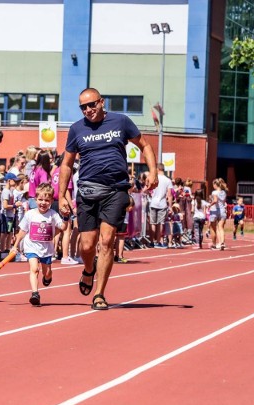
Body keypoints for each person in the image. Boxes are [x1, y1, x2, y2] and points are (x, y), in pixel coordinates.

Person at [58, 88, 158, 310]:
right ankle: (88, 269)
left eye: (92, 105)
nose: (88, 110)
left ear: (101, 102)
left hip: (115, 190)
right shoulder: (76, 129)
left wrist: (153, 172)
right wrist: (62, 195)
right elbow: (66, 164)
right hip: (87, 192)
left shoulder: (121, 122)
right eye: (83, 107)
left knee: (106, 241)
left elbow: (145, 145)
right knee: (86, 245)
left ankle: (99, 294)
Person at [11, 183, 67, 307]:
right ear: (35, 199)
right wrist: (15, 245)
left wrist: (66, 217)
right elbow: (22, 231)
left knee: (46, 272)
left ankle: (48, 277)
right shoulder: (30, 214)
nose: (43, 203)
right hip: (31, 246)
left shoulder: (53, 214)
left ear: (52, 201)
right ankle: (35, 293)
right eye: (40, 199)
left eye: (46, 200)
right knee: (34, 269)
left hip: (46, 249)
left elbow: (62, 227)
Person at [51, 153, 76, 264]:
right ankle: (65, 256)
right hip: (63, 202)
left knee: (56, 229)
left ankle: (52, 253)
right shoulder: (66, 171)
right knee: (66, 229)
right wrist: (72, 206)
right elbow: (66, 190)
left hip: (55, 201)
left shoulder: (55, 171)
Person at [149, 163, 173, 249]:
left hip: (153, 202)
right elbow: (169, 195)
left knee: (152, 223)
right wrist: (170, 206)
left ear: (158, 169)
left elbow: (149, 189)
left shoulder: (154, 178)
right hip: (162, 203)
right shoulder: (168, 180)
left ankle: (152, 241)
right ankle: (158, 241)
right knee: (160, 223)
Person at [0, 173, 18, 252]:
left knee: (9, 232)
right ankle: (3, 249)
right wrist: (14, 206)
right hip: (6, 216)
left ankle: (7, 248)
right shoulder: (6, 191)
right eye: (14, 180)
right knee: (4, 233)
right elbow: (5, 205)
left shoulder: (9, 191)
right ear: (9, 181)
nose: (16, 182)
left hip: (10, 216)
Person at [208, 178, 227, 250]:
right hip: (222, 210)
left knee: (213, 228)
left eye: (213, 185)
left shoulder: (214, 192)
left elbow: (215, 200)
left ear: (215, 185)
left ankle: (213, 244)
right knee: (221, 227)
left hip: (215, 210)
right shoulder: (223, 192)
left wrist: (210, 205)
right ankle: (222, 242)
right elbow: (223, 202)